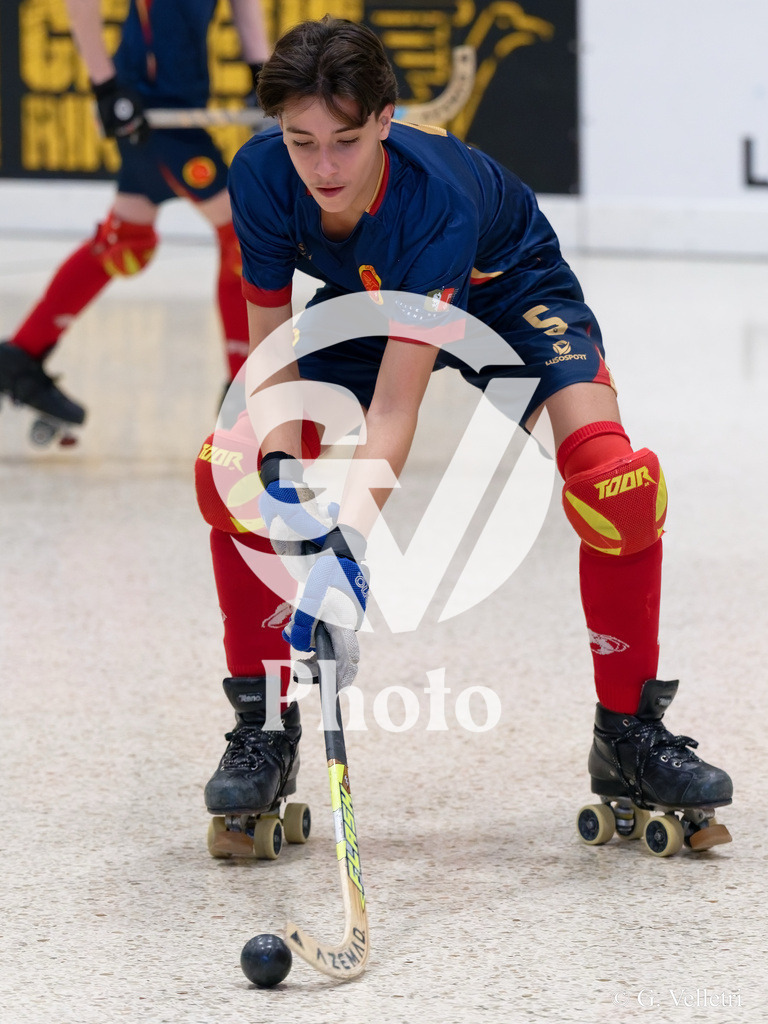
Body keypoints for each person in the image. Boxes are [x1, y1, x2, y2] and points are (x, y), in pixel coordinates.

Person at [196, 16, 732, 855]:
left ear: (385, 119)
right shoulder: (262, 176)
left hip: (508, 288)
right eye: (302, 142)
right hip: (364, 307)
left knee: (612, 487)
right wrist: (278, 477)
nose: (323, 168)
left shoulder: (433, 196)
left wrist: (345, 554)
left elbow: (395, 412)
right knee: (226, 470)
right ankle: (263, 730)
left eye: (345, 140)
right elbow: (272, 357)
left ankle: (628, 732)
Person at [0, 0, 270, 441]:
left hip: (177, 104)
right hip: (148, 111)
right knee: (242, 236)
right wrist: (105, 85)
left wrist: (260, 70)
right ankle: (244, 393)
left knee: (127, 242)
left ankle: (21, 356)